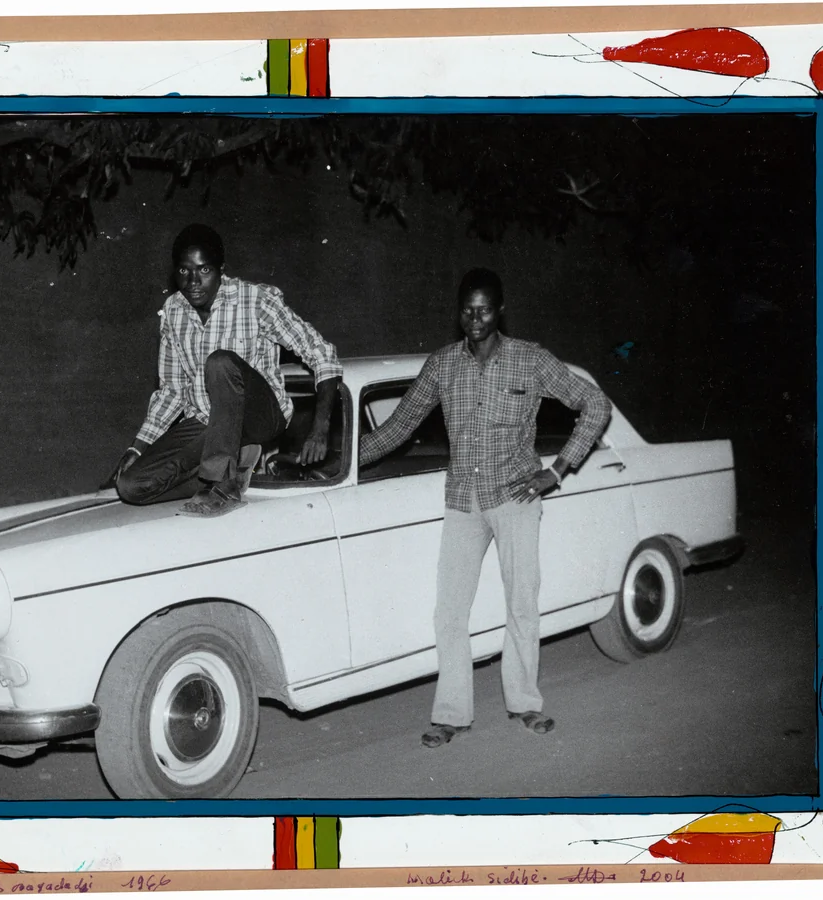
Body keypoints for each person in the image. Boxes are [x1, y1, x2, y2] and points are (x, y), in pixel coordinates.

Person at [359, 268, 611, 747]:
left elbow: (595, 405)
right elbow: (396, 428)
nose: (475, 319)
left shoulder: (529, 360)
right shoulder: (442, 365)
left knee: (521, 603)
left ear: (500, 311)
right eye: (467, 310)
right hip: (462, 501)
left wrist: (557, 470)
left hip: (516, 496)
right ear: (458, 313)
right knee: (449, 610)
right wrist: (340, 462)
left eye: (485, 309)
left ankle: (525, 704)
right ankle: (452, 714)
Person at [112, 224, 343, 517]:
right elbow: (171, 389)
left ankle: (222, 483)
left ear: (221, 269)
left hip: (261, 416)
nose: (193, 281)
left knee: (220, 362)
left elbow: (322, 352)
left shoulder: (256, 300)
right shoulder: (173, 311)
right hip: (209, 421)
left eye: (204, 270)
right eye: (184, 271)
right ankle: (235, 465)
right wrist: (138, 447)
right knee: (132, 486)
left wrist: (320, 427)